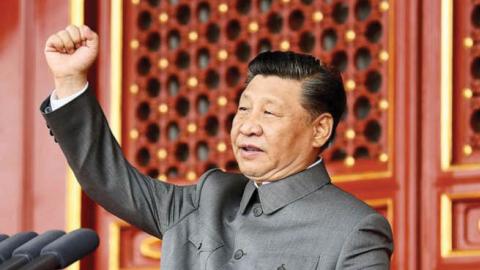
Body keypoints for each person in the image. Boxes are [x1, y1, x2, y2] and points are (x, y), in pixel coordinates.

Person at [42, 25, 393, 270]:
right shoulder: (208, 195)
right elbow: (107, 178)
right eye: (243, 108)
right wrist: (71, 80)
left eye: (269, 112)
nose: (247, 125)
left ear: (320, 130)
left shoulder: (354, 228)